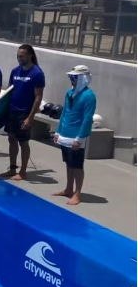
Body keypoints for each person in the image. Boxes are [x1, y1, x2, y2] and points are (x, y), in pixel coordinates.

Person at [52, 65, 97, 206]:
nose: (72, 80)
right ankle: (68, 188)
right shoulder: (69, 92)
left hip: (76, 137)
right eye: (70, 77)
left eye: (74, 78)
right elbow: (64, 113)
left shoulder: (89, 96)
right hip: (64, 134)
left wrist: (79, 138)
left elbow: (87, 119)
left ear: (83, 79)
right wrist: (58, 131)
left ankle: (78, 193)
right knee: (68, 164)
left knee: (77, 166)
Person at [1, 44, 45, 181]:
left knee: (23, 142)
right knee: (11, 139)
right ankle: (12, 168)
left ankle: (23, 171)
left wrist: (30, 118)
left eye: (22, 56)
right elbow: (9, 92)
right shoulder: (15, 71)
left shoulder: (37, 73)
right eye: (18, 56)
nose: (19, 58)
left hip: (24, 113)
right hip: (12, 111)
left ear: (30, 56)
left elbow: (38, 97)